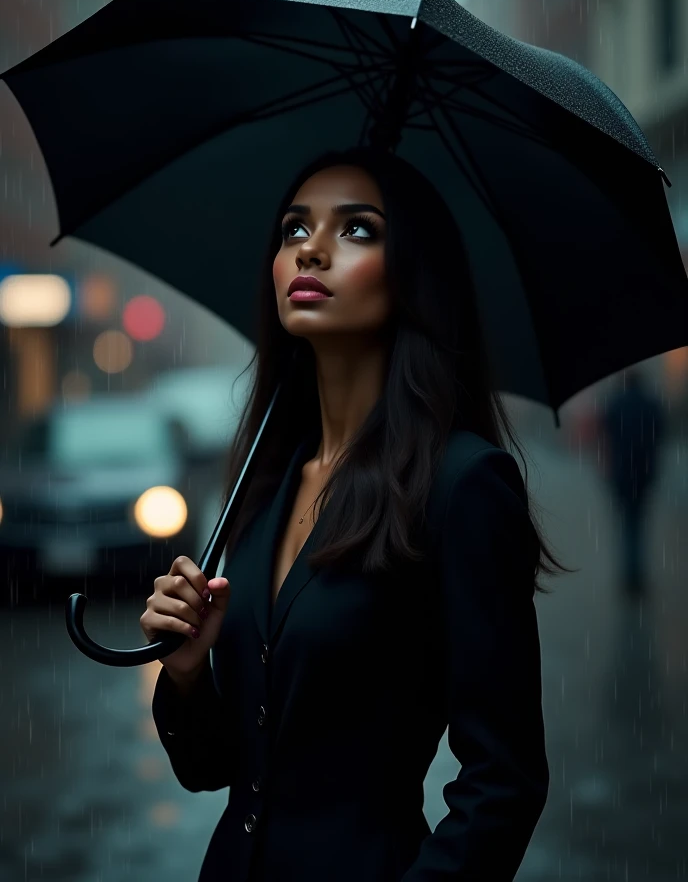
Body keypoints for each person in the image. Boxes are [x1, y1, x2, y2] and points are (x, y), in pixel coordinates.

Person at [140, 146, 571, 882]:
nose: (310, 247)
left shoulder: (462, 485)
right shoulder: (261, 482)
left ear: (413, 278)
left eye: (358, 230)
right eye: (293, 229)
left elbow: (505, 782)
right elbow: (216, 769)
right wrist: (186, 674)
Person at [599, 368, 665, 596]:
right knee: (639, 523)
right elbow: (660, 436)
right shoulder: (652, 404)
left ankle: (629, 575)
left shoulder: (615, 404)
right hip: (644, 473)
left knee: (626, 524)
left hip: (621, 473)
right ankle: (637, 575)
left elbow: (606, 437)